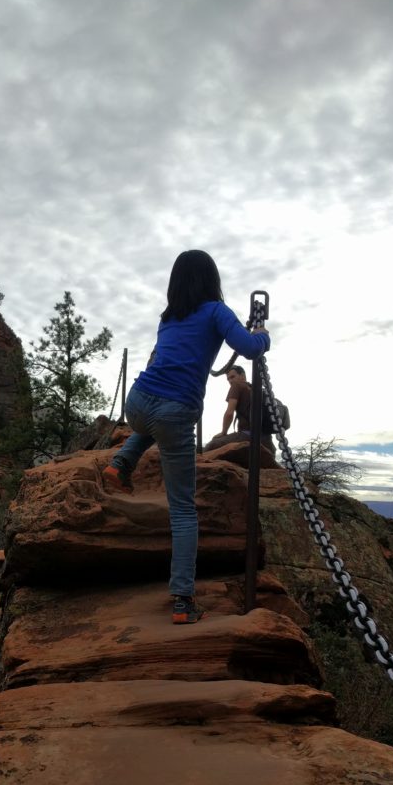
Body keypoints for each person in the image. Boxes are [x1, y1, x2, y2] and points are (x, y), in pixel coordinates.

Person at [102, 250, 270, 624]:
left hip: (138, 401)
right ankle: (182, 601)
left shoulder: (168, 318)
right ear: (212, 279)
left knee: (149, 424)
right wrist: (263, 334)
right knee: (182, 511)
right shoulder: (216, 311)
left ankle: (121, 462)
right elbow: (249, 349)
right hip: (176, 412)